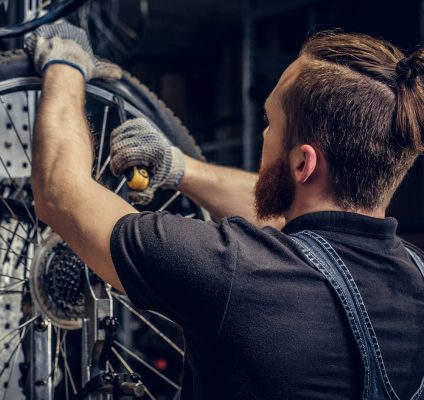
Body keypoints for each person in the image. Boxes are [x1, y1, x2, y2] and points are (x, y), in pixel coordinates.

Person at [26, 23, 424, 399]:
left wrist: (65, 65)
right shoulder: (415, 276)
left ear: (304, 164)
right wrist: (179, 167)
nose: (263, 135)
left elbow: (61, 195)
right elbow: (295, 232)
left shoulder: (235, 271)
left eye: (270, 123)